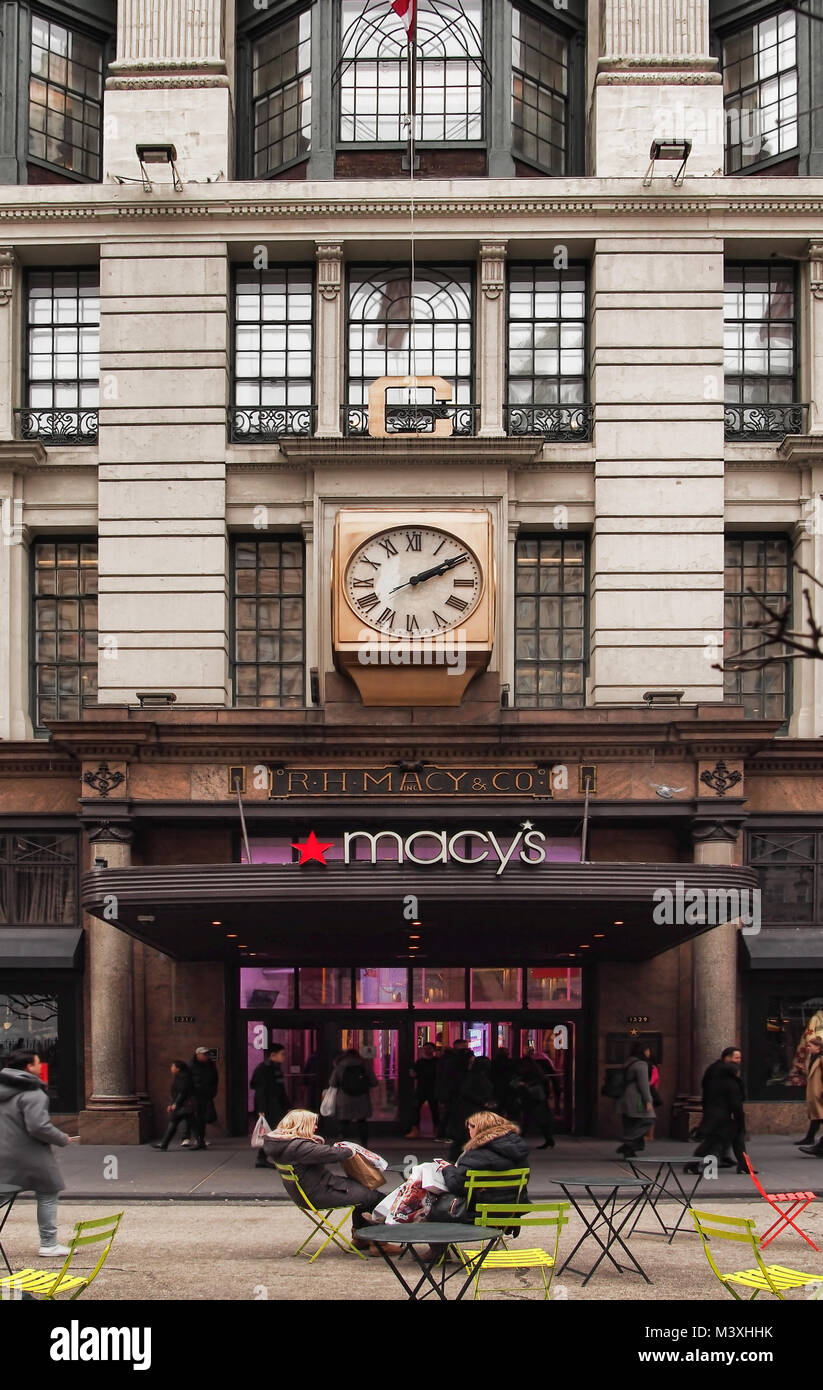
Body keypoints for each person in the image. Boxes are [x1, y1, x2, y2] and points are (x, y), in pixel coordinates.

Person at [263, 1108, 400, 1254]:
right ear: (302, 1125)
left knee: (362, 1191)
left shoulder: (283, 1145)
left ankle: (360, 1237)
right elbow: (331, 1154)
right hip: (319, 1193)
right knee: (375, 1198)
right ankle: (379, 1244)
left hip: (307, 1192)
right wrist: (351, 1150)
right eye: (313, 1124)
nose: (316, 1127)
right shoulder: (300, 1147)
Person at [0, 1049, 79, 1256]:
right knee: (48, 1192)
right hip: (30, 1153)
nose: (41, 1065)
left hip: (3, 1151)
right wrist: (62, 1138)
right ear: (28, 1067)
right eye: (37, 1063)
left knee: (3, 1194)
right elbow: (38, 1127)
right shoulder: (33, 1092)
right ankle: (49, 1243)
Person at [431, 1110, 530, 1224]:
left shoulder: (475, 1155)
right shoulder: (519, 1152)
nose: (469, 1133)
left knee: (433, 1204)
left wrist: (447, 1168)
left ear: (477, 1129)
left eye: (470, 1129)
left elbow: (456, 1186)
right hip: (511, 1211)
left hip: (478, 1211)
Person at [686, 1046, 747, 1174]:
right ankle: (692, 1165)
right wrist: (740, 1119)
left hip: (717, 1114)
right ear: (727, 1058)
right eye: (736, 1058)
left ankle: (744, 1166)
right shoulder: (728, 1081)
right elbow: (735, 1103)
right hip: (722, 1116)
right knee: (713, 1141)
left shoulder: (717, 1074)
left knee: (735, 1139)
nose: (739, 1061)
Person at [445, 1055, 496, 1162]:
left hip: (473, 1109)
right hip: (471, 1109)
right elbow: (466, 1092)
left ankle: (461, 1157)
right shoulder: (474, 1077)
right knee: (467, 1135)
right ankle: (464, 1157)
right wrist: (483, 1102)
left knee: (466, 1136)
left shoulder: (476, 1076)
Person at [250, 1044, 290, 1169]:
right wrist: (261, 1109)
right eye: (282, 1054)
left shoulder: (276, 1069)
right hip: (269, 1106)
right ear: (273, 1055)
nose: (284, 1057)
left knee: (273, 1132)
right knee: (270, 1132)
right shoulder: (264, 1069)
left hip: (276, 1104)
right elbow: (260, 1089)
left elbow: (281, 1089)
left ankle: (264, 1157)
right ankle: (263, 1158)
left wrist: (286, 1105)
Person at [328, 1048, 377, 1148]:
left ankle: (342, 1144)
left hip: (344, 1098)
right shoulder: (364, 1065)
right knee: (362, 1121)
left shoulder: (340, 1065)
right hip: (361, 1098)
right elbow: (374, 1082)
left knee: (343, 1121)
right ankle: (364, 1144)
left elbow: (332, 1083)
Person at [615, 1041, 655, 1157]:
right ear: (644, 1051)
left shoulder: (628, 1062)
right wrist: (648, 1101)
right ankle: (627, 1141)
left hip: (624, 1098)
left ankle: (629, 1151)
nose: (649, 1053)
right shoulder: (641, 1064)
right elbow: (643, 1085)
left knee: (630, 1124)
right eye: (648, 1050)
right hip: (636, 1098)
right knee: (648, 1120)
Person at [151, 1060, 195, 1150]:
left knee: (175, 1122)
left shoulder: (183, 1078)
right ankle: (164, 1144)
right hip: (183, 1105)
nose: (171, 1068)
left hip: (184, 1105)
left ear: (178, 1069)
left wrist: (175, 1104)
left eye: (173, 1066)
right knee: (192, 1124)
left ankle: (164, 1144)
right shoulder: (180, 1077)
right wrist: (173, 1103)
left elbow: (182, 1092)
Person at [514, 1056, 555, 1149]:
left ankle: (548, 1140)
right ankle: (549, 1140)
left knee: (529, 1120)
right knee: (536, 1121)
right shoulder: (537, 1074)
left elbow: (534, 1087)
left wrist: (524, 1086)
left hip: (534, 1100)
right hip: (537, 1100)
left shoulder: (532, 1075)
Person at [405, 1042, 439, 1138]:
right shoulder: (420, 1062)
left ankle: (437, 1130)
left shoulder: (437, 1061)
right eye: (425, 1048)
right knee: (415, 1110)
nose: (427, 1050)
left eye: (429, 1048)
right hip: (421, 1089)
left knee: (435, 1110)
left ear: (434, 1050)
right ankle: (415, 1129)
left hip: (433, 1089)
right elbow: (414, 1074)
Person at [189, 1046, 219, 1150]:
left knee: (202, 1118)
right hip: (195, 1096)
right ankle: (197, 1139)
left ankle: (200, 1139)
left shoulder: (210, 1065)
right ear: (198, 1055)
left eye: (207, 1054)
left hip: (206, 1095)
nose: (207, 1056)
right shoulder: (191, 1066)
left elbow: (215, 1079)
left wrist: (212, 1091)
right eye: (204, 1054)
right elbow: (187, 1081)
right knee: (195, 1118)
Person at [798, 1035, 823, 1154]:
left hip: (820, 1093)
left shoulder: (821, 1058)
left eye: (810, 1046)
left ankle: (818, 1147)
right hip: (815, 1093)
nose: (808, 1048)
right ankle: (814, 1143)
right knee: (817, 1117)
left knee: (819, 1117)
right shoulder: (812, 1057)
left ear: (818, 1047)